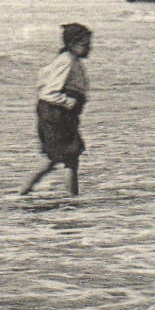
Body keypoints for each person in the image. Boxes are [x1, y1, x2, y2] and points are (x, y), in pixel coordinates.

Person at [21, 23, 92, 196]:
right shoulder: (66, 61)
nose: (89, 48)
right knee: (61, 158)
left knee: (67, 158)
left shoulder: (68, 60)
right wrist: (68, 102)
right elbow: (48, 92)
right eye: (85, 44)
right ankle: (24, 191)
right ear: (72, 44)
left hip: (61, 115)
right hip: (56, 114)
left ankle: (70, 196)